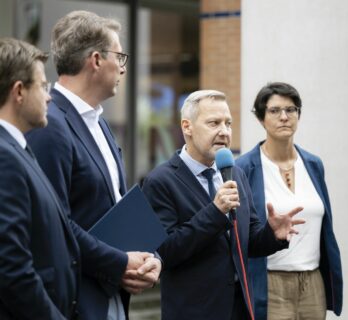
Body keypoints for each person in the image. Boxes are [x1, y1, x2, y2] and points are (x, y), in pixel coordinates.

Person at [0, 38, 160, 319]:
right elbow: (12, 265)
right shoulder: (6, 156)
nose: (49, 96)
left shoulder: (20, 150)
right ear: (19, 92)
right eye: (42, 86)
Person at [142, 90, 305, 320]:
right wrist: (215, 212)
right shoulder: (160, 181)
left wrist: (272, 234)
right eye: (213, 123)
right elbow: (164, 251)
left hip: (239, 308)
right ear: (187, 127)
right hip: (194, 312)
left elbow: (247, 242)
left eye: (228, 123)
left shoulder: (235, 173)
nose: (224, 131)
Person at [236, 82, 343, 320]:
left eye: (291, 109)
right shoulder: (244, 168)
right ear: (261, 119)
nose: (284, 116)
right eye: (274, 111)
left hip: (312, 280)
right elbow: (240, 234)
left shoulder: (313, 164)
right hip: (270, 280)